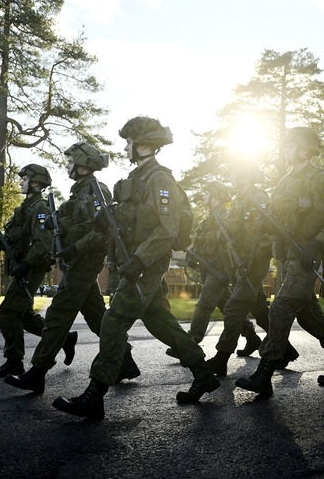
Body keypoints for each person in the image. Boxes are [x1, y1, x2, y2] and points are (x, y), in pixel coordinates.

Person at [52, 116, 220, 419]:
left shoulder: (159, 179)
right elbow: (134, 220)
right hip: (133, 262)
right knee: (159, 321)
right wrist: (108, 218)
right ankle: (203, 374)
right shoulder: (138, 178)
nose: (125, 148)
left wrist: (139, 261)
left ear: (142, 145)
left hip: (145, 265)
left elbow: (167, 230)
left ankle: (95, 395)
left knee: (113, 321)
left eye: (128, 142)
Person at [5, 141, 141, 394]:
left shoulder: (97, 191)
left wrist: (75, 248)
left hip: (85, 262)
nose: (66, 166)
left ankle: (37, 371)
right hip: (76, 262)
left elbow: (102, 231)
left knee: (57, 315)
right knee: (98, 318)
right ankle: (125, 362)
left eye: (70, 162)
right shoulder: (77, 192)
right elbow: (72, 223)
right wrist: (55, 224)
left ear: (83, 164)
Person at [235, 127, 324, 397]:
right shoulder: (284, 181)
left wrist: (316, 245)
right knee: (309, 317)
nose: (285, 150)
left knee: (280, 307)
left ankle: (264, 373)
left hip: (306, 258)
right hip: (287, 258)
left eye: (290, 146)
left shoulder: (321, 179)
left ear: (304, 150)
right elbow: (276, 216)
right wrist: (266, 222)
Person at [201, 165, 273, 377]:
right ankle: (285, 350)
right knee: (260, 310)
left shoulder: (259, 197)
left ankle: (221, 358)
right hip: (241, 264)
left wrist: (253, 257)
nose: (232, 178)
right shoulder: (239, 201)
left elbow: (268, 231)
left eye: (235, 174)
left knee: (233, 309)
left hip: (253, 264)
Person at [0, 164, 56, 378]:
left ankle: (14, 361)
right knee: (24, 316)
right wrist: (2, 242)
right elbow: (16, 235)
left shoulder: (40, 208)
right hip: (22, 267)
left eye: (25, 179)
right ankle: (64, 339)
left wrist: (25, 265)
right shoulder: (25, 207)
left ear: (36, 183)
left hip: (30, 268)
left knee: (8, 312)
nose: (21, 183)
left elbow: (43, 243)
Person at [181, 181, 262, 359]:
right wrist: (193, 255)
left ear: (215, 195)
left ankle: (190, 342)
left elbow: (225, 244)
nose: (204, 196)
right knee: (227, 307)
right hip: (210, 268)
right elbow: (202, 242)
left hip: (219, 270)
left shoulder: (224, 216)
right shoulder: (210, 218)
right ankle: (252, 338)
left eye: (207, 193)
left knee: (203, 304)